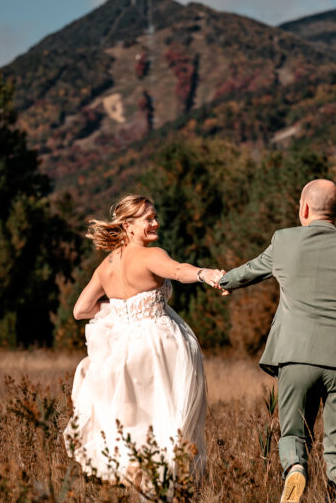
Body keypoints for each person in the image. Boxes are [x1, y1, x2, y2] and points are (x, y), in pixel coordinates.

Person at [219, 179, 336, 503]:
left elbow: (248, 272)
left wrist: (222, 280)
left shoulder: (284, 241)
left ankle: (295, 469)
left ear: (304, 208)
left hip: (295, 358)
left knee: (294, 433)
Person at [64, 194, 224, 484]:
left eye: (154, 216)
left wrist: (123, 310)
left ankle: (139, 486)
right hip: (159, 346)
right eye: (148, 218)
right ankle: (171, 486)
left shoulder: (107, 265)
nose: (155, 222)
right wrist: (205, 274)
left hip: (121, 350)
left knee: (134, 420)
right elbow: (177, 270)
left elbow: (80, 310)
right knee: (167, 418)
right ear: (129, 226)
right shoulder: (151, 255)